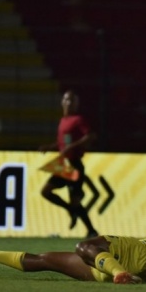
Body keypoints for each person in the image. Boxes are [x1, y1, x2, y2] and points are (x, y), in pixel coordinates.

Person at [0, 191, 146, 285]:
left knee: (85, 245)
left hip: (135, 252)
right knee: (46, 260)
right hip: (115, 270)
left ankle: (120, 273)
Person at [38, 90, 98, 238]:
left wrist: (73, 147)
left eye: (72, 100)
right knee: (46, 191)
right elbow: (62, 144)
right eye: (66, 99)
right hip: (64, 164)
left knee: (76, 201)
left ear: (76, 104)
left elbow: (90, 136)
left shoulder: (78, 120)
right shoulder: (63, 120)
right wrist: (50, 147)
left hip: (75, 164)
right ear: (62, 102)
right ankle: (70, 210)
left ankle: (91, 230)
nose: (68, 102)